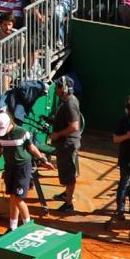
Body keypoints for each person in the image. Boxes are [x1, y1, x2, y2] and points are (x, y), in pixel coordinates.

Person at [0, 109, 44, 232]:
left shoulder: (22, 132)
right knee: (13, 198)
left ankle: (28, 228)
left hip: (23, 168)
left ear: (10, 123)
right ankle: (13, 227)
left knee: (18, 199)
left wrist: (42, 159)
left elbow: (31, 147)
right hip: (9, 168)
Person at [46, 75, 84, 214]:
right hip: (64, 143)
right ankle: (66, 194)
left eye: (58, 86)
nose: (56, 89)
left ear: (64, 89)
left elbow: (74, 126)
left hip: (68, 144)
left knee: (69, 173)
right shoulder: (65, 101)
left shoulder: (70, 103)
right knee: (65, 172)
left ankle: (69, 203)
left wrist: (57, 134)